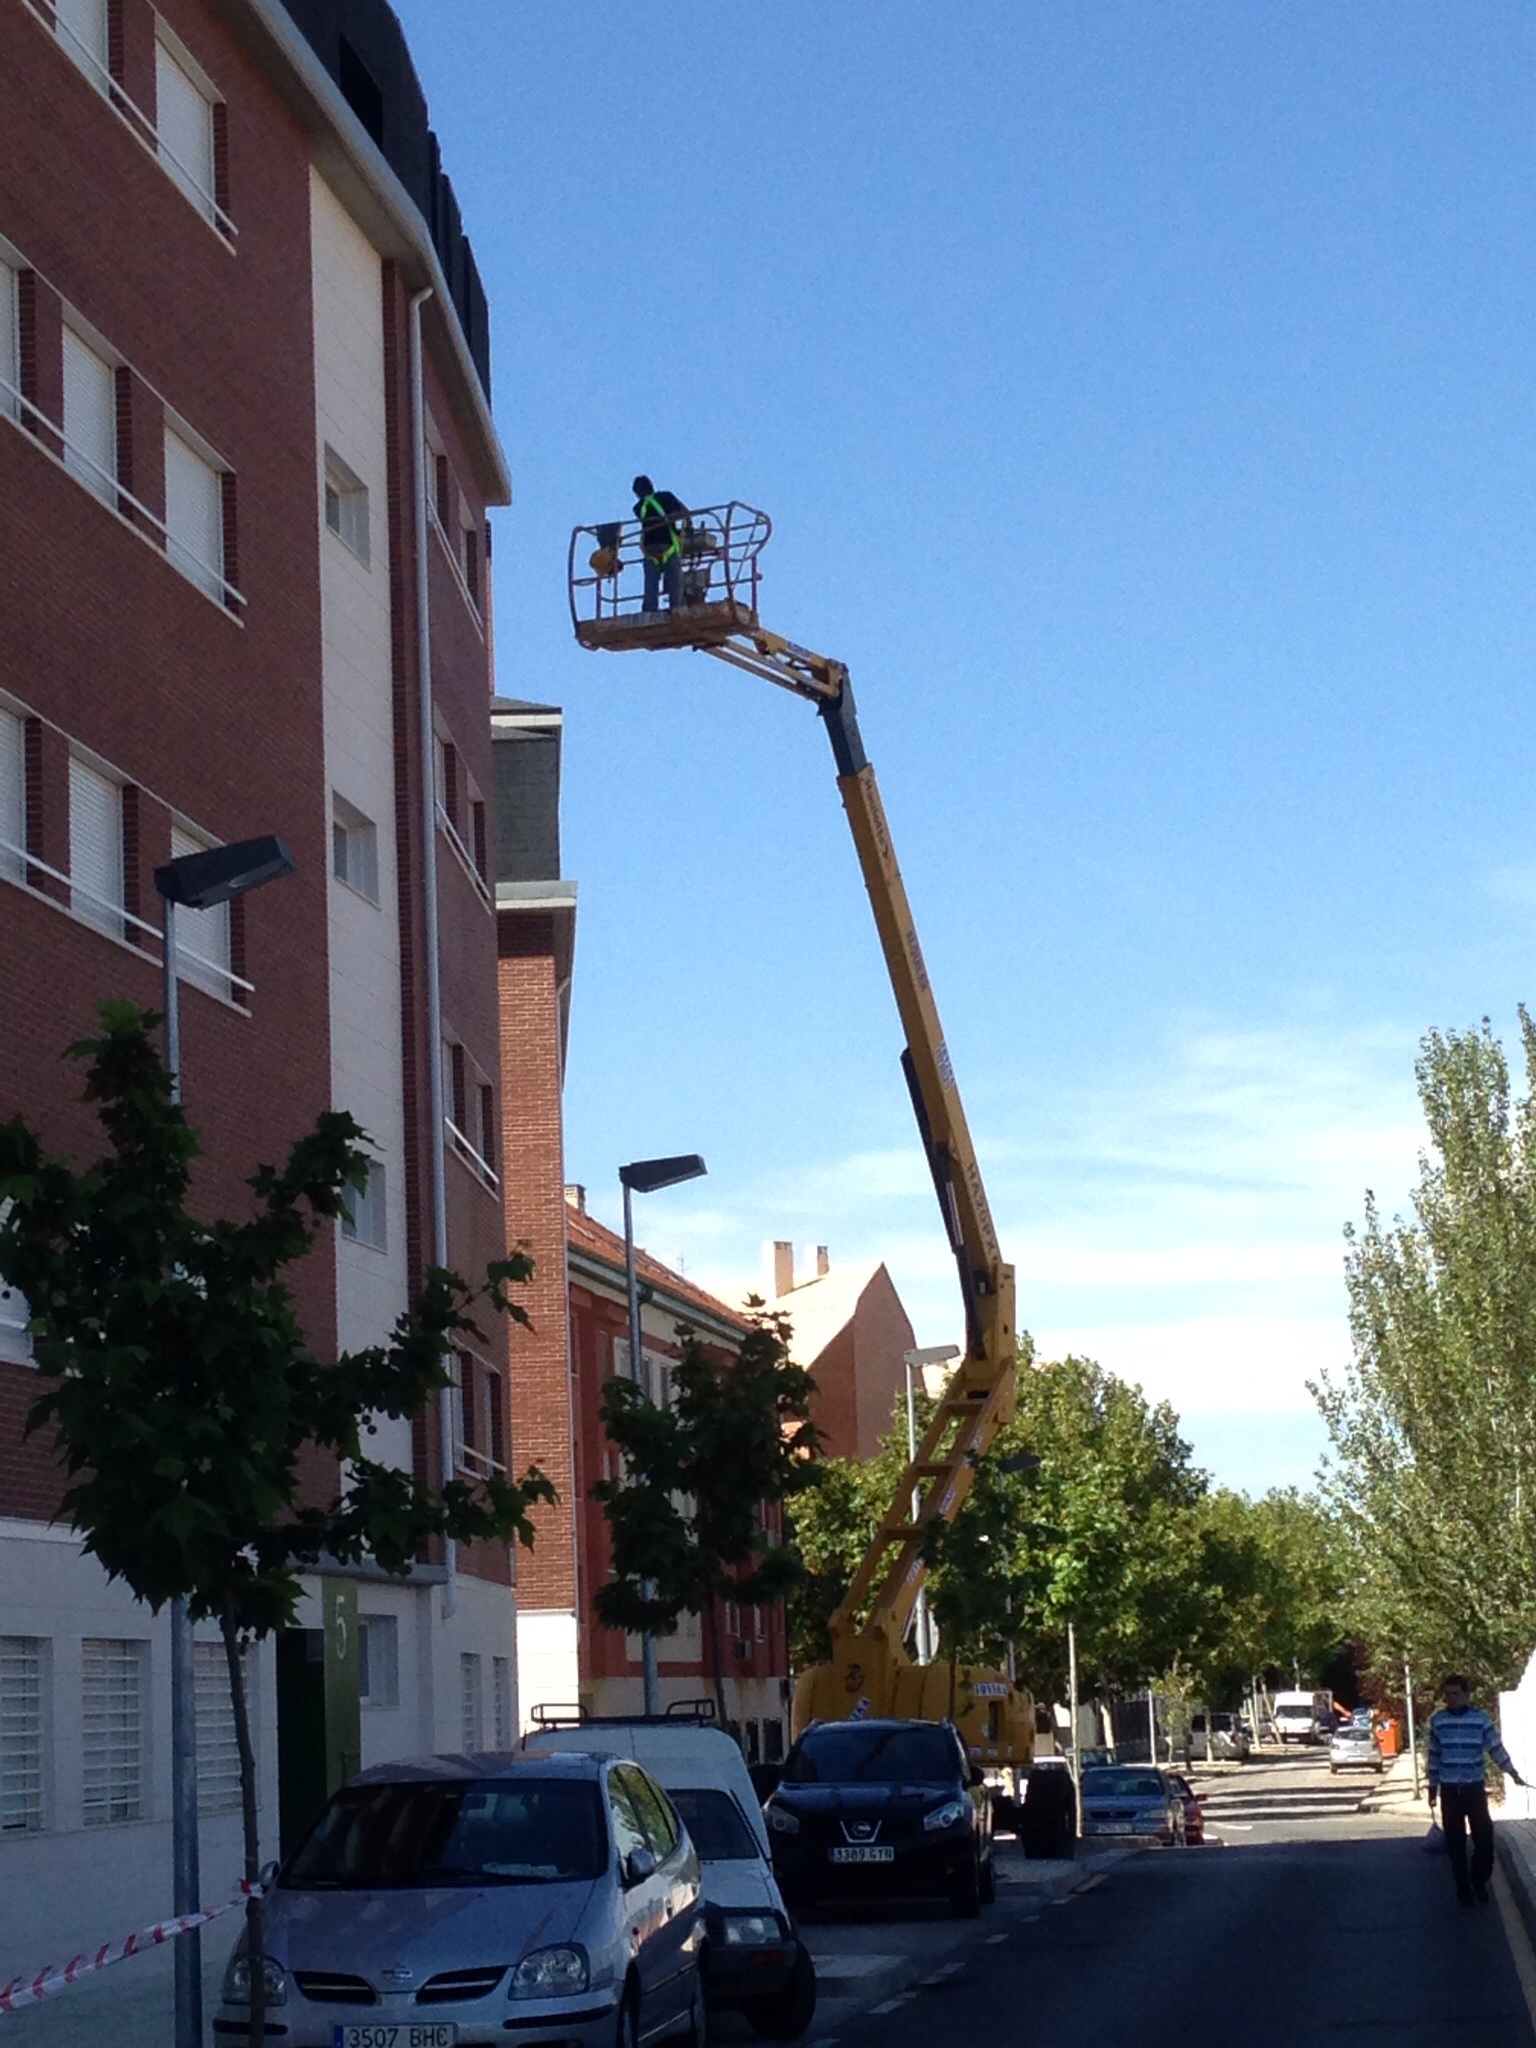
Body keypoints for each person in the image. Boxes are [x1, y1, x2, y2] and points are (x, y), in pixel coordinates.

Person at [1427, 1673, 1525, 1905]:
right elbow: (1434, 1756)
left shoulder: (1480, 1720)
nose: (1451, 1699)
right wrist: (1432, 1787)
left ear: (1466, 1695)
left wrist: (1512, 1772)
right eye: (1447, 1694)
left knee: (1484, 1839)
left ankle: (1479, 1879)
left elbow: (1495, 1748)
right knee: (1455, 1842)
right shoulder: (1439, 1721)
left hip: (1474, 1789)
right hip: (1450, 1791)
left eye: (1456, 1694)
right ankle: (1464, 1890)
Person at [632, 475, 689, 612]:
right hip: (668, 546)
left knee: (650, 584)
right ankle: (677, 608)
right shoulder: (666, 497)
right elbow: (684, 512)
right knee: (675, 582)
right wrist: (687, 527)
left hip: (649, 549)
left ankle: (649, 610)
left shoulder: (638, 508)